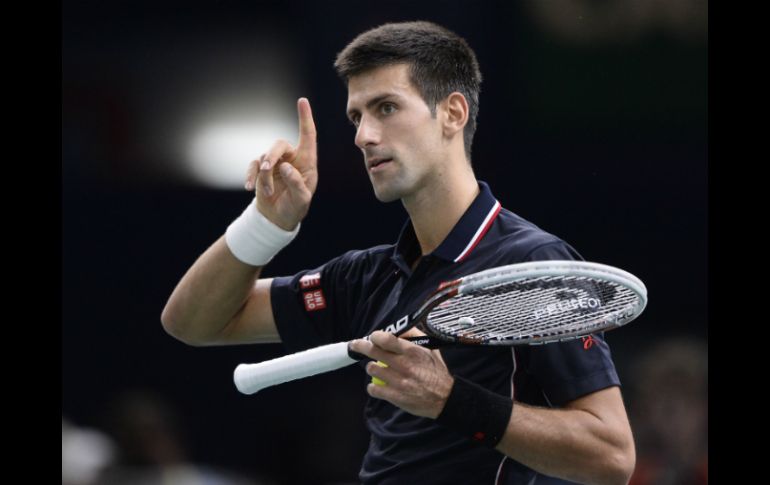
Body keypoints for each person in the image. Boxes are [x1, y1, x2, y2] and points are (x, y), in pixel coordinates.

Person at [162, 21, 635, 485]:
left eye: (386, 108)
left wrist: (449, 398)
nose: (363, 136)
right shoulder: (365, 278)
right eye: (356, 117)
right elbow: (194, 322)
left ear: (452, 113)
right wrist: (265, 225)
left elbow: (611, 455)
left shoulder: (533, 263)